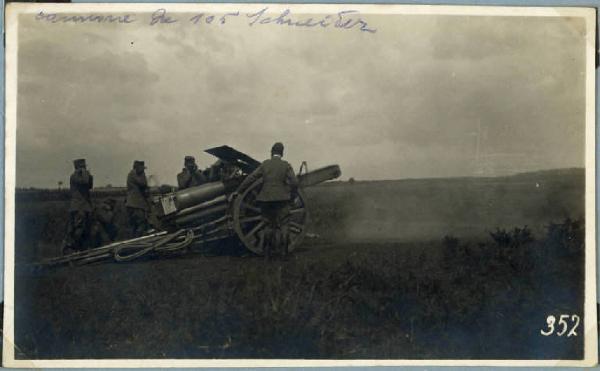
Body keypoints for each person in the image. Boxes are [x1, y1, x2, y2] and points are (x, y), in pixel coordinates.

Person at [235, 142, 298, 259]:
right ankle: (284, 253)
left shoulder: (265, 165)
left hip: (266, 199)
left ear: (271, 152)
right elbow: (294, 182)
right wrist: (291, 194)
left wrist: (239, 190)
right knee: (284, 224)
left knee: (267, 225)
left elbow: (251, 178)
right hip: (282, 199)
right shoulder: (286, 165)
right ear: (282, 153)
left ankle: (267, 253)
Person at [62, 158, 94, 254]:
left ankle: (80, 248)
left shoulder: (80, 175)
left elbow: (89, 185)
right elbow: (84, 181)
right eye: (82, 166)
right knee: (79, 228)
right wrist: (85, 172)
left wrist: (90, 175)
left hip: (84, 206)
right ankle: (73, 247)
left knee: (84, 228)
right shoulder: (75, 175)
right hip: (79, 206)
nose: (84, 168)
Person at [126, 160, 150, 237]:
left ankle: (132, 242)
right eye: (142, 168)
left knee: (134, 226)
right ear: (137, 167)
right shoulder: (133, 174)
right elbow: (143, 183)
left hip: (132, 204)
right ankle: (137, 241)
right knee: (141, 224)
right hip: (136, 205)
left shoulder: (132, 174)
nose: (143, 170)